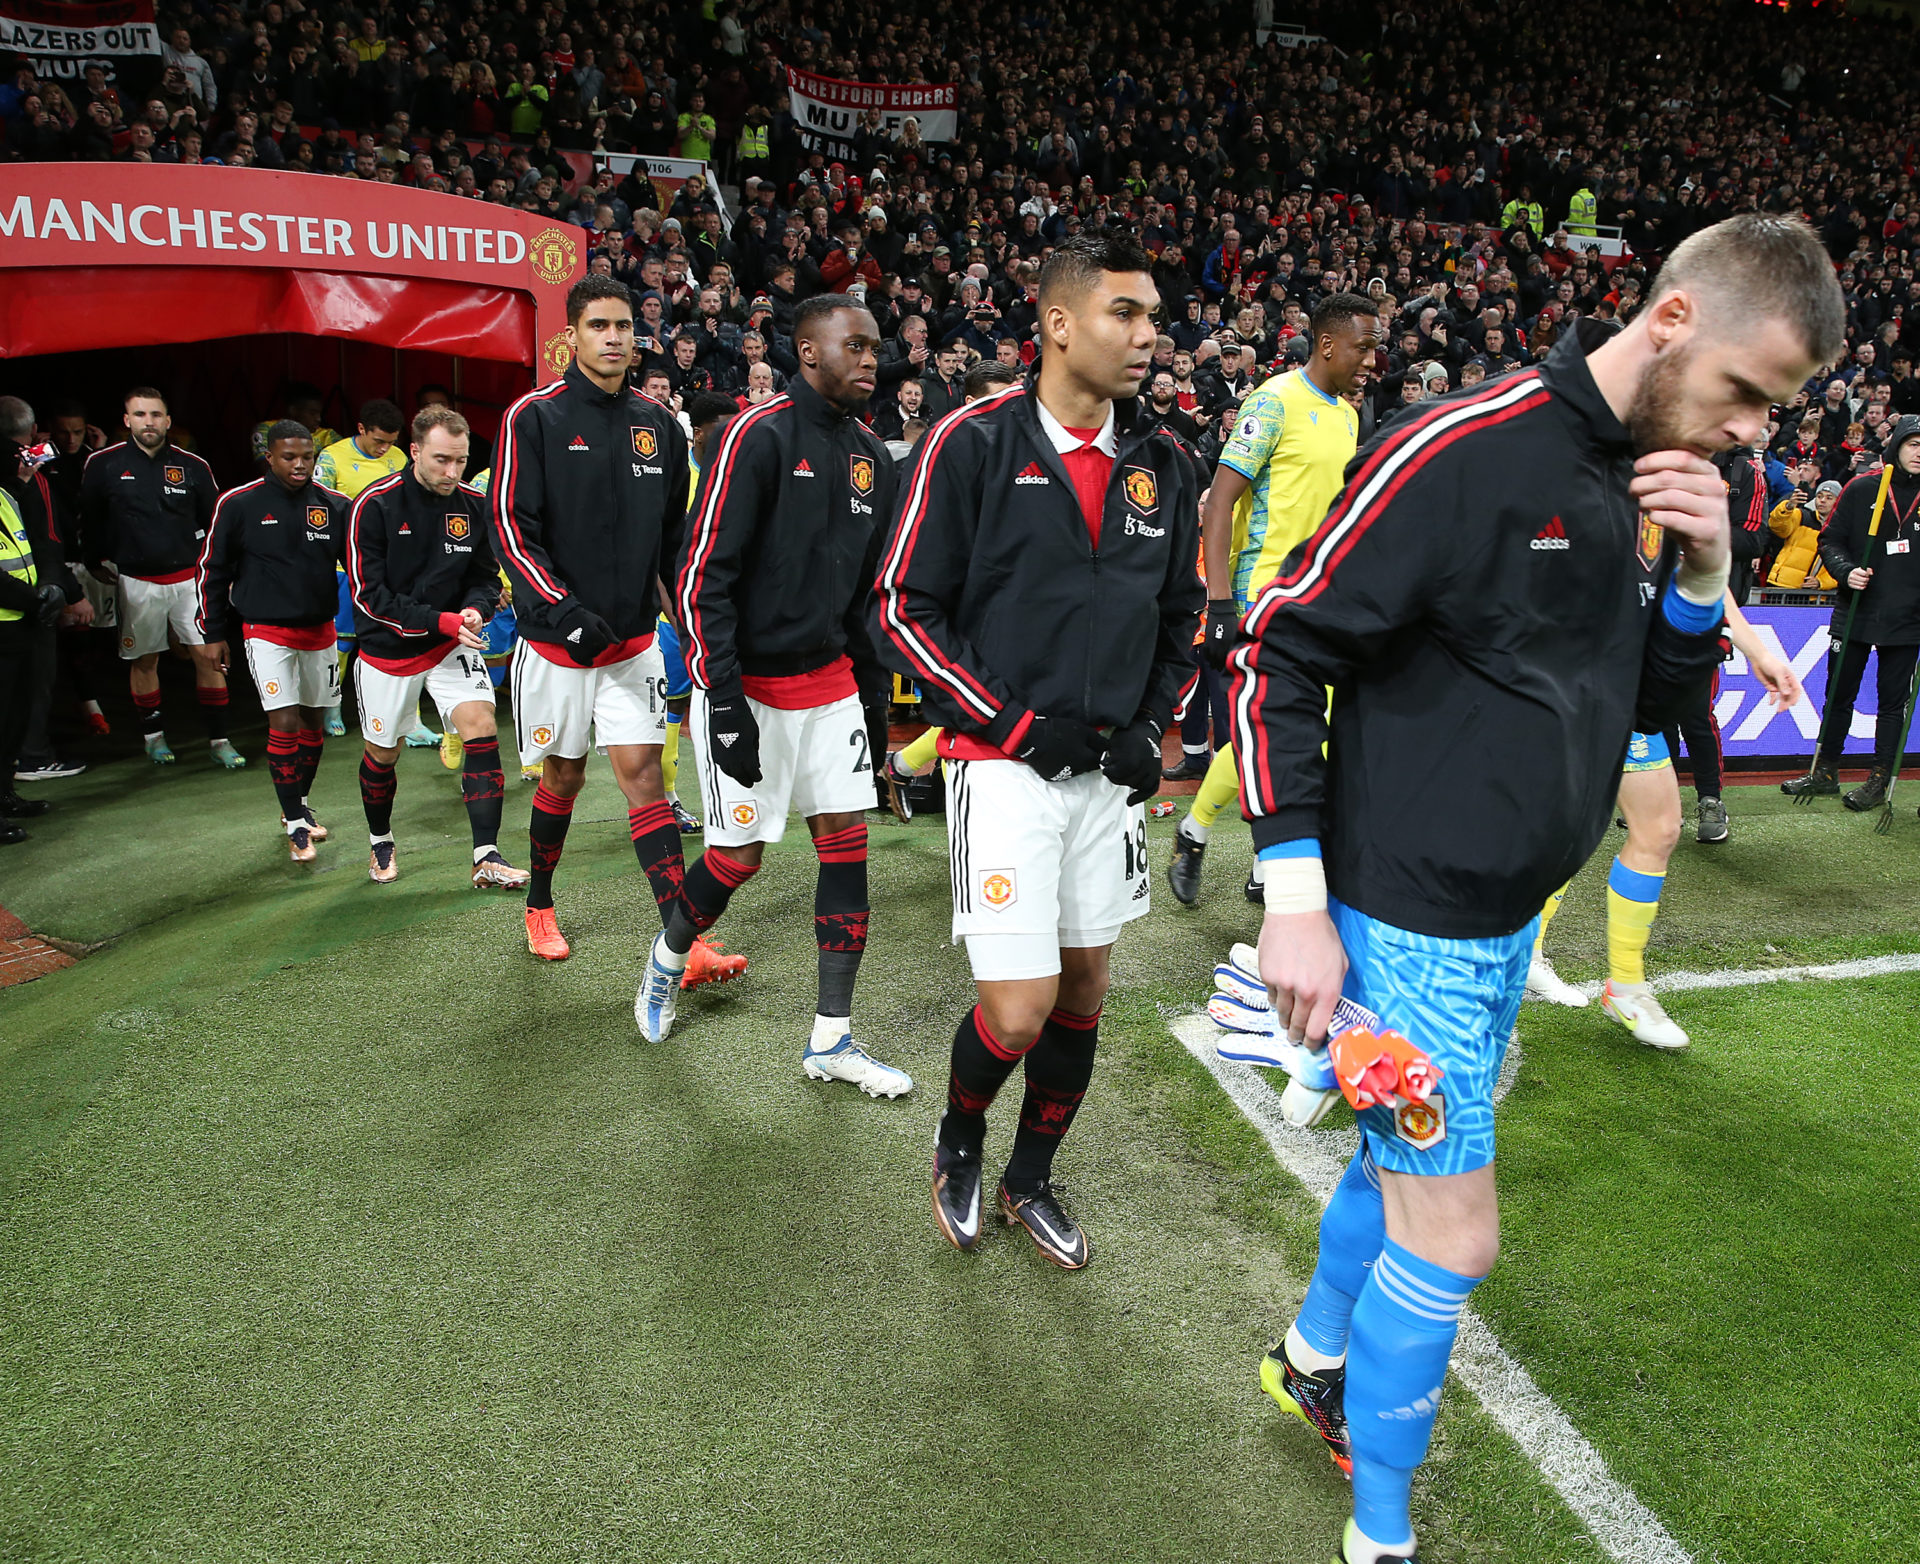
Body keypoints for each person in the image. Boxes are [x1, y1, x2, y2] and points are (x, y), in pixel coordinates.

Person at [1234, 214, 1838, 1564]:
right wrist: (1290, 894)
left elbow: (1648, 706)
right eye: (1747, 393)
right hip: (1414, 917)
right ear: (1674, 321)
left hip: (1506, 916)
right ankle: (1380, 1540)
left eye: (1773, 410)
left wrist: (1704, 582)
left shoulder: (1651, 477)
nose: (1752, 430)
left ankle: (1311, 1356)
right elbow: (1275, 646)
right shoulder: (1466, 450)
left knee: (1402, 1169)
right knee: (1454, 1240)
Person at [872, 233, 1202, 1267]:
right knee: (1019, 1011)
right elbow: (903, 609)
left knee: (1088, 987)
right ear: (1059, 324)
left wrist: (1153, 723)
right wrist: (1015, 725)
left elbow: (1182, 617)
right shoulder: (970, 443)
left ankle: (1030, 1177)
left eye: (1153, 316)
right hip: (1002, 764)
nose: (1150, 335)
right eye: (1126, 314)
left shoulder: (1166, 460)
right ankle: (960, 1136)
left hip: (1110, 777)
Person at [637, 293, 912, 1102]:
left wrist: (869, 701)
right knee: (738, 859)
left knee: (847, 847)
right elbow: (700, 577)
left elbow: (868, 595)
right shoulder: (755, 438)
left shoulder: (873, 456)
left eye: (876, 347)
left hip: (826, 684)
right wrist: (720, 700)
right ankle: (667, 959)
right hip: (747, 687)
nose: (870, 359)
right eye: (853, 345)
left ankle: (831, 1038)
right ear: (806, 350)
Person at [493, 276, 733, 972]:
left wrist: (690, 623)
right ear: (572, 336)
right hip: (556, 646)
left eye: (624, 326)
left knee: (644, 779)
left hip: (631, 647)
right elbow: (510, 528)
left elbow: (671, 548)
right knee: (563, 777)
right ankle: (539, 902)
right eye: (599, 325)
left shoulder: (659, 426)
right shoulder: (532, 418)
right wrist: (563, 611)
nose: (614, 338)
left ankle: (681, 944)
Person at [1167, 294, 1384, 905]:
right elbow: (1221, 497)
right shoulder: (1272, 402)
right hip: (1267, 597)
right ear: (1328, 344)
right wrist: (1218, 603)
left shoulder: (1346, 415)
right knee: (1286, 736)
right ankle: (1269, 862)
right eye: (1364, 346)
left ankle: (1196, 831)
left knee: (1295, 736)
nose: (1373, 359)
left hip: (1327, 600)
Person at [346, 405, 526, 890]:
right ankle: (381, 837)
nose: (452, 472)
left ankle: (485, 854)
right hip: (389, 648)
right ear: (415, 451)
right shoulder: (374, 505)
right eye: (442, 460)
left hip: (451, 643)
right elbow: (369, 595)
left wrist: (475, 611)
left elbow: (486, 580)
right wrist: (440, 619)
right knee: (383, 754)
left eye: (461, 461)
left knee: (482, 727)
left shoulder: (473, 505)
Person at [874, 359, 1028, 825]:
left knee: (986, 709)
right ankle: (905, 771)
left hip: (1000, 608)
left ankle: (901, 769)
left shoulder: (1019, 452)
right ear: (969, 402)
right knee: (969, 709)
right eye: (996, 399)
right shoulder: (943, 451)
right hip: (950, 610)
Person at [196, 422, 347, 862]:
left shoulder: (334, 505)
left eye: (307, 457)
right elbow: (213, 569)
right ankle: (297, 826)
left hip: (321, 631)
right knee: (284, 723)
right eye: (289, 457)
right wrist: (212, 632)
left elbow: (361, 568)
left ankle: (296, 806)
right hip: (265, 632)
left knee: (314, 725)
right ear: (270, 456)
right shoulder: (239, 503)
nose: (299, 465)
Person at [79, 387, 240, 768]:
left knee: (209, 657)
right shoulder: (103, 464)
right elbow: (89, 518)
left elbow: (216, 525)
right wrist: (92, 560)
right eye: (139, 415)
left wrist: (223, 574)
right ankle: (154, 739)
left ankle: (220, 741)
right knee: (145, 660)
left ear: (168, 421)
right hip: (136, 581)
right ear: (126, 420)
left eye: (155, 415)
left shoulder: (194, 466)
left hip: (190, 580)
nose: (148, 422)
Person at [1782, 416, 1920, 809]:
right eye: (1913, 443)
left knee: (1893, 702)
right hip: (1856, 608)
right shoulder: (1862, 489)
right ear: (1896, 446)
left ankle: (1879, 779)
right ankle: (1824, 770)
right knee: (1838, 694)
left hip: (1908, 618)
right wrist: (1846, 572)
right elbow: (1830, 540)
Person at [314, 400, 408, 743]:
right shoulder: (331, 458)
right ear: (361, 429)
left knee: (392, 635)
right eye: (378, 441)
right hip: (344, 565)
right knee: (341, 642)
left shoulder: (398, 459)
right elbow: (318, 507)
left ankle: (399, 714)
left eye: (391, 442)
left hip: (388, 566)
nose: (385, 449)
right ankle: (332, 706)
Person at [0, 466, 83, 843]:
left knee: (14, 717)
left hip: (22, 622)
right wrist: (35, 599)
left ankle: (4, 795)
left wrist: (50, 586)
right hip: (13, 614)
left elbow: (40, 543)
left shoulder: (8, 495)